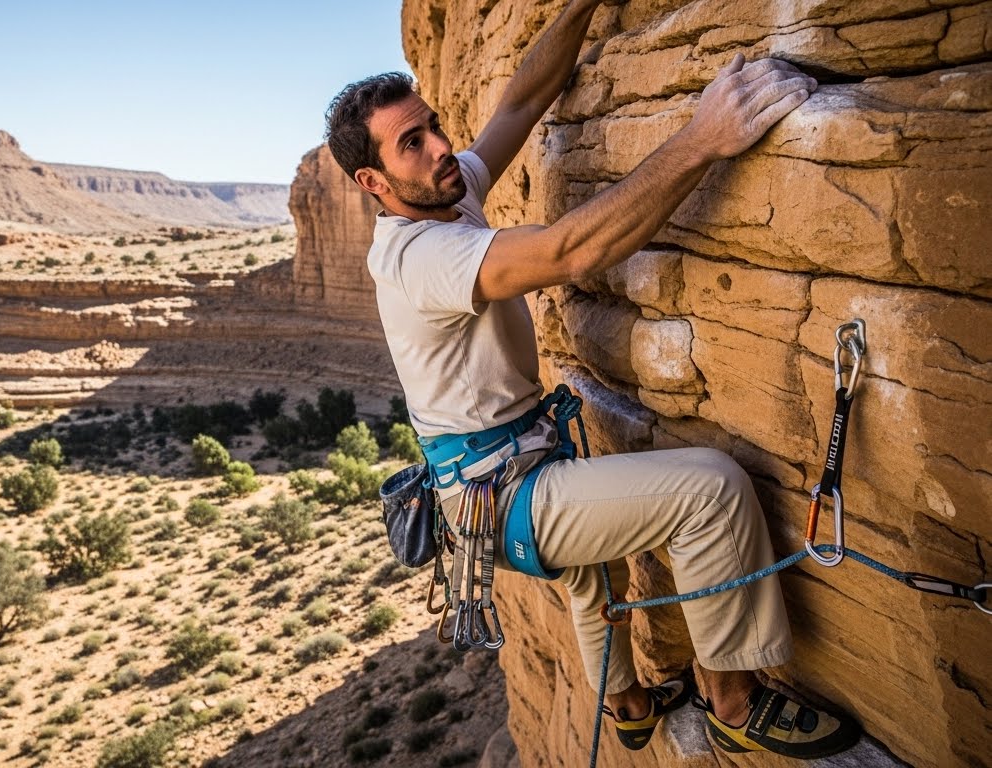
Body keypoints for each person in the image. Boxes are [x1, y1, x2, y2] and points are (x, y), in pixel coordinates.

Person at [323, 0, 862, 759]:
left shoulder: (444, 193)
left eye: (434, 126)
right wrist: (701, 140)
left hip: (501, 469)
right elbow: (571, 251)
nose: (443, 148)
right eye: (412, 143)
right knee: (710, 490)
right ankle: (733, 702)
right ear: (373, 181)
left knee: (590, 582)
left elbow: (519, 102)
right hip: (506, 495)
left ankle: (629, 706)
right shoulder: (419, 257)